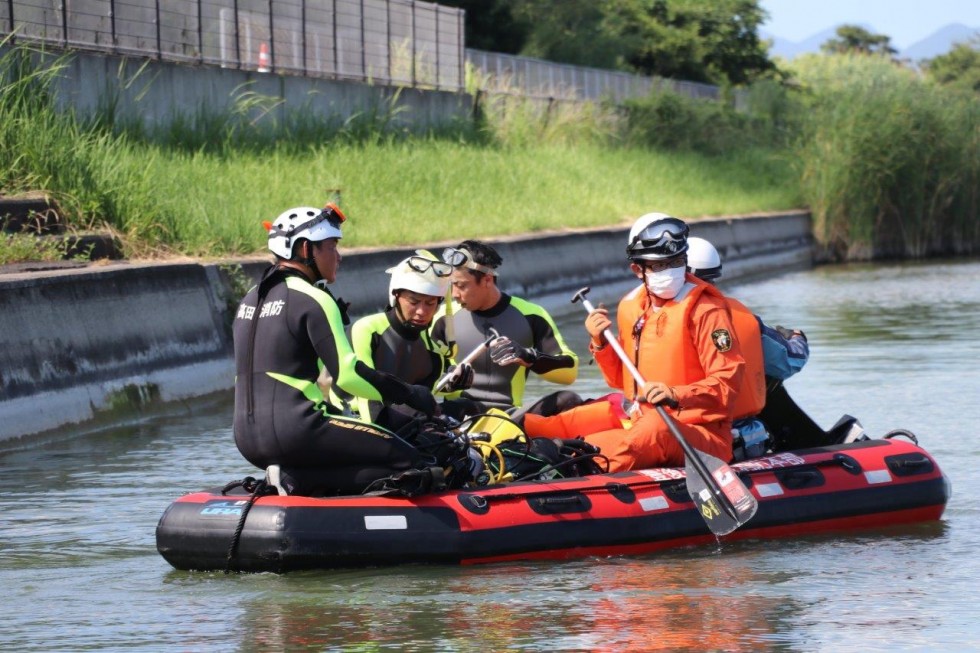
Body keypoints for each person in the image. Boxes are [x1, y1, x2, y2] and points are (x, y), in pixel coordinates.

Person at [232, 204, 439, 496]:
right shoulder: (313, 298)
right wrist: (411, 394)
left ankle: (294, 481)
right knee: (413, 461)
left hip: (246, 438)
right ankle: (299, 484)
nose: (338, 257)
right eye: (332, 246)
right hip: (300, 429)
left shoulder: (250, 299)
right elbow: (348, 375)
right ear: (306, 249)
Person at [524, 213, 748, 471]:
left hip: (699, 432)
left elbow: (727, 385)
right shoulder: (632, 308)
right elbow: (621, 381)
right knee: (555, 433)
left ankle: (592, 474)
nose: (670, 271)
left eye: (676, 262)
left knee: (654, 430)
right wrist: (600, 344)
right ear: (637, 269)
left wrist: (675, 394)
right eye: (659, 265)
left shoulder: (707, 310)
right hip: (640, 419)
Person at [685, 236, 827, 451]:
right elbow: (788, 361)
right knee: (768, 383)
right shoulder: (737, 318)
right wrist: (798, 338)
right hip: (721, 434)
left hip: (669, 427)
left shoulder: (644, 317)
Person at [429, 239, 581, 417]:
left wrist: (529, 357)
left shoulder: (531, 315)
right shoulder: (443, 319)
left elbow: (569, 373)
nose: (454, 294)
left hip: (510, 416)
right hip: (458, 414)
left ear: (487, 280)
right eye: (451, 285)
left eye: (461, 285)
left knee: (568, 399)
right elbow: (423, 380)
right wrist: (449, 384)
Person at [350, 251, 473, 424]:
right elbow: (366, 394)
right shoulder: (367, 329)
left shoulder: (433, 346)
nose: (422, 311)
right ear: (396, 296)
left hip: (409, 423)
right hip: (358, 421)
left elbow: (437, 394)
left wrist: (453, 383)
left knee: (468, 407)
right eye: (414, 302)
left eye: (430, 303)